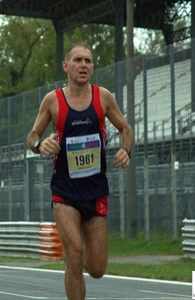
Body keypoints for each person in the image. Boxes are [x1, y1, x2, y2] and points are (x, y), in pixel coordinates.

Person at [27, 42, 133, 300]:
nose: (83, 64)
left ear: (93, 66)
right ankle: (73, 255)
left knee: (96, 268)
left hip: (95, 190)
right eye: (77, 60)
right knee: (74, 256)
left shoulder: (103, 97)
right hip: (64, 191)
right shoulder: (53, 100)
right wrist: (41, 145)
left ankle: (78, 252)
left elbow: (126, 130)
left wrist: (125, 150)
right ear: (66, 66)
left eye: (88, 60)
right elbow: (32, 136)